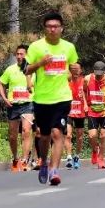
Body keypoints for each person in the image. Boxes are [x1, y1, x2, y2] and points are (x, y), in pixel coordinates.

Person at [25, 12, 80, 186]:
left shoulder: (69, 47)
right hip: (42, 99)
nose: (52, 29)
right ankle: (43, 162)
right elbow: (26, 70)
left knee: (58, 133)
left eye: (56, 26)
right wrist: (40, 63)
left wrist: (75, 71)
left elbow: (74, 69)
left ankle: (54, 170)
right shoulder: (36, 47)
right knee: (44, 135)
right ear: (45, 28)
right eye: (49, 26)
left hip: (62, 97)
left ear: (62, 28)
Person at [0, 44, 33, 172]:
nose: (19, 56)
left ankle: (24, 160)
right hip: (13, 105)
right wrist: (4, 98)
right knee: (12, 135)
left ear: (26, 55)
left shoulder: (32, 70)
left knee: (26, 130)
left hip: (28, 104)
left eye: (21, 54)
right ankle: (15, 158)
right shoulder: (10, 69)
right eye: (17, 54)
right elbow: (0, 84)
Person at [83, 61, 105, 169]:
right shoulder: (87, 79)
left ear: (104, 71)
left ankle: (101, 158)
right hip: (92, 110)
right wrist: (85, 104)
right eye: (97, 73)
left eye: (101, 74)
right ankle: (94, 150)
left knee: (103, 135)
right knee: (92, 135)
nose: (99, 76)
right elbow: (83, 91)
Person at [66, 63, 86, 169]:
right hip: (69, 111)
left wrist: (87, 105)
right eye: (72, 69)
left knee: (80, 136)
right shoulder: (66, 81)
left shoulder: (84, 81)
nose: (75, 70)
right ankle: (69, 157)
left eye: (77, 69)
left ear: (80, 70)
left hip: (80, 112)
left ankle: (77, 156)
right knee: (68, 135)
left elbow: (88, 94)